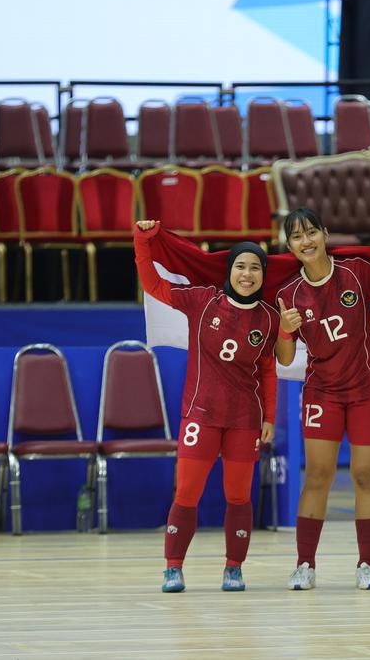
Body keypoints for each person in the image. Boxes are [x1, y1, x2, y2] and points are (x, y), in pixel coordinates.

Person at [274, 207, 370, 591]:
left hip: (369, 390)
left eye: (311, 233)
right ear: (288, 246)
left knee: (365, 476)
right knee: (318, 475)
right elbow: (284, 359)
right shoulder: (287, 294)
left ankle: (366, 564)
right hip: (323, 391)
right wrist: (285, 332)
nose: (306, 242)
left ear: (325, 233)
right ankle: (305, 564)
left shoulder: (354, 270)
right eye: (297, 237)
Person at [133, 219, 279, 593]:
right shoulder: (202, 300)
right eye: (241, 266)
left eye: (256, 267)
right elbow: (152, 284)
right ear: (230, 270)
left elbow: (267, 371)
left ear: (263, 274)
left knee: (239, 496)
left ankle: (234, 568)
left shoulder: (269, 318)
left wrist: (270, 417)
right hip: (200, 415)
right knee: (186, 494)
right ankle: (173, 567)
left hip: (245, 420)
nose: (247, 274)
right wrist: (142, 240)